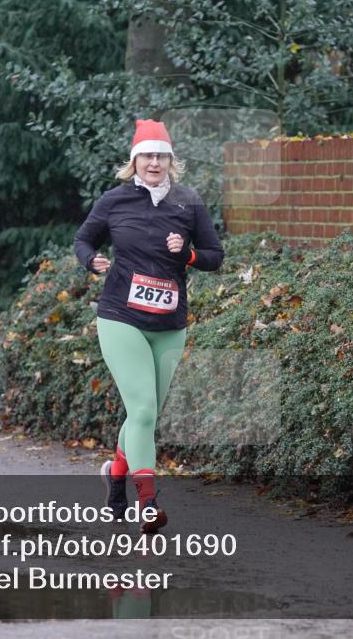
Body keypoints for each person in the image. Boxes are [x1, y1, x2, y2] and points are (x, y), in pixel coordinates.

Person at [73, 119, 224, 533]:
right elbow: (83, 240)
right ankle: (147, 501)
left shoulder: (188, 202)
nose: (154, 162)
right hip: (121, 317)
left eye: (161, 156)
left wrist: (189, 254)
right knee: (141, 409)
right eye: (147, 155)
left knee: (146, 416)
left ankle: (116, 476)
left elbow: (215, 255)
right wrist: (91, 261)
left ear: (171, 161)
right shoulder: (114, 201)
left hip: (170, 324)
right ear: (134, 160)